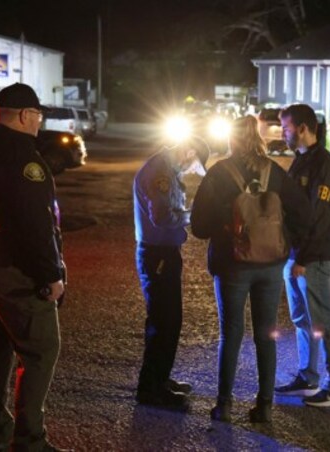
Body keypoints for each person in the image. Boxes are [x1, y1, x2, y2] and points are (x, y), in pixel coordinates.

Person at [0, 82, 67, 452]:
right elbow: (34, 225)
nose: (39, 124)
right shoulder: (25, 158)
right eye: (38, 116)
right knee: (41, 350)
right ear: (24, 115)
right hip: (13, 270)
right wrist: (51, 275)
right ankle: (30, 441)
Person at [191, 115, 312, 423]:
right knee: (265, 334)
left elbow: (199, 226)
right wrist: (285, 240)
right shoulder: (275, 172)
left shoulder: (219, 173)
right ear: (258, 138)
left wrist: (225, 226)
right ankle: (265, 405)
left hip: (232, 264)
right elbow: (303, 213)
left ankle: (225, 405)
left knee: (231, 334)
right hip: (271, 264)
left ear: (232, 139)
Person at [275, 103, 330, 408]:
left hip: (316, 256)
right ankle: (308, 376)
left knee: (323, 320)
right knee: (302, 318)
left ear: (303, 128)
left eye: (286, 128)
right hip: (298, 254)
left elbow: (319, 217)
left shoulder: (323, 165)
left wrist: (303, 260)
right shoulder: (301, 160)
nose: (283, 133)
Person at [133, 136, 210, 410]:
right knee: (163, 322)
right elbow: (163, 217)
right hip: (157, 255)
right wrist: (192, 216)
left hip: (163, 253)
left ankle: (160, 379)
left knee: (170, 321)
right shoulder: (161, 171)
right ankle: (151, 389)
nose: (191, 171)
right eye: (193, 165)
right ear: (188, 151)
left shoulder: (167, 168)